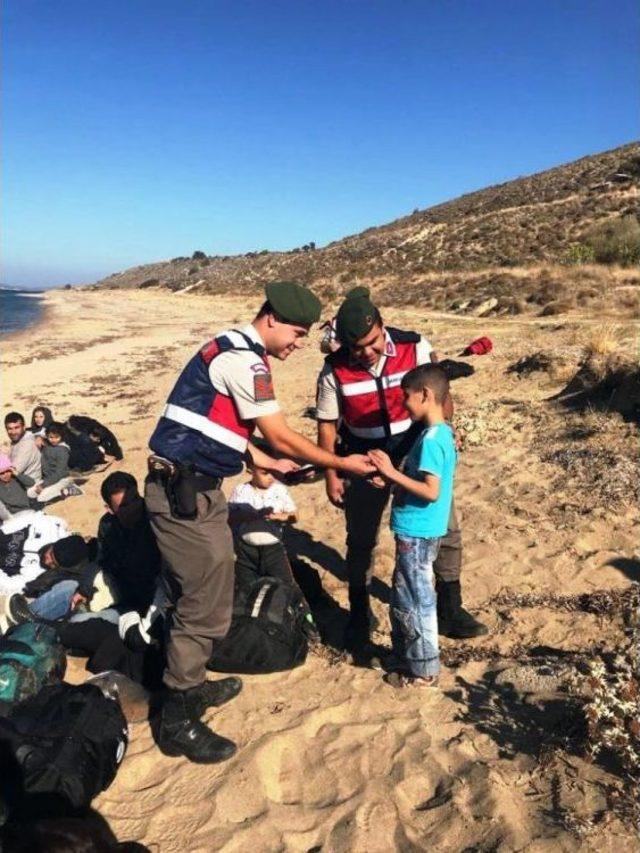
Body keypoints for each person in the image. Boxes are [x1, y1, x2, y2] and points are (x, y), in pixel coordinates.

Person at [146, 279, 374, 763]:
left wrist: (262, 462)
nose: (298, 344)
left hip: (198, 488)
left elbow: (219, 424)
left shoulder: (237, 350)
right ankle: (176, 715)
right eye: (295, 332)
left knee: (213, 590)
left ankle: (191, 683)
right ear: (270, 318)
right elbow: (280, 434)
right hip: (183, 493)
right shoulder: (245, 360)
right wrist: (340, 463)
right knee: (200, 603)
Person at [315, 290, 486, 660]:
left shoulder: (415, 346)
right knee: (361, 540)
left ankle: (450, 608)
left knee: (447, 530)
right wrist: (332, 473)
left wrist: (445, 431)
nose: (368, 352)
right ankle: (360, 615)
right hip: (363, 460)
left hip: (416, 452)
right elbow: (327, 427)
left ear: (382, 325)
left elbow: (442, 396)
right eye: (357, 347)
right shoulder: (333, 370)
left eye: (373, 341)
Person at [369, 365, 456, 687]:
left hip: (417, 532)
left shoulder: (432, 439)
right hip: (419, 530)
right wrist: (395, 482)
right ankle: (410, 657)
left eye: (406, 397)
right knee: (405, 595)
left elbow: (431, 491)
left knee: (417, 600)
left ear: (426, 395)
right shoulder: (438, 433)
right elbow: (423, 482)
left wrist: (391, 473)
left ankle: (424, 670)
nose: (403, 403)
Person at [228, 463, 298, 586]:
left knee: (283, 585)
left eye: (273, 473)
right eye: (265, 473)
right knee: (246, 586)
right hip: (246, 549)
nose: (271, 477)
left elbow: (295, 516)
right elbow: (230, 517)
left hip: (273, 548)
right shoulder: (240, 490)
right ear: (250, 470)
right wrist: (248, 516)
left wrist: (280, 517)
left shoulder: (280, 489)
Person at [26, 422, 80, 503]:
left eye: (56, 437)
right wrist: (39, 437)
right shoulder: (47, 444)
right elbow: (34, 434)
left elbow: (59, 473)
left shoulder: (63, 451)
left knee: (42, 498)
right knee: (30, 493)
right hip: (48, 479)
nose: (53, 440)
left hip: (61, 479)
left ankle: (70, 489)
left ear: (61, 436)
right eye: (51, 437)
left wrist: (43, 485)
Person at [5, 412, 42, 482]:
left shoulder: (28, 444)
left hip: (28, 487)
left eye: (16, 427)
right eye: (10, 428)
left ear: (24, 427)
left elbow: (11, 472)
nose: (13, 432)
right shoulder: (17, 440)